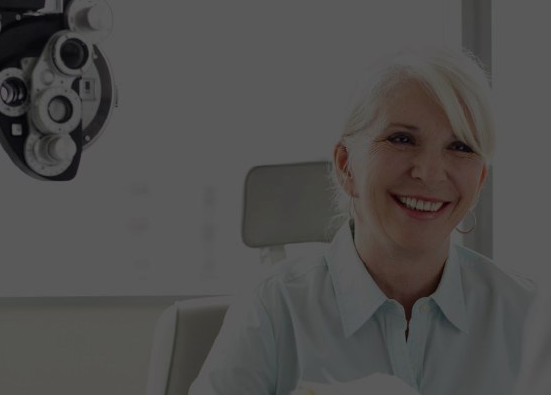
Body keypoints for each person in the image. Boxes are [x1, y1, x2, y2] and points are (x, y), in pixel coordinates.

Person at [189, 47, 536, 395]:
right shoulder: (273, 310)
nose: (429, 173)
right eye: (402, 139)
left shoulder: (528, 317)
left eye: (460, 147)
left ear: (478, 182)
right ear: (345, 164)